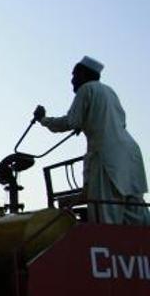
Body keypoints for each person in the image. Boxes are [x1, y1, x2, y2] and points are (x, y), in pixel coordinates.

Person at [34, 56, 150, 225]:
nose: (72, 80)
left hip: (107, 158)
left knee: (106, 214)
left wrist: (43, 120)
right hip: (131, 155)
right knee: (136, 213)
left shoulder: (86, 89)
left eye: (74, 75)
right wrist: (88, 121)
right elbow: (119, 122)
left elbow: (70, 121)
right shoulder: (109, 91)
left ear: (84, 75)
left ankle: (107, 249)